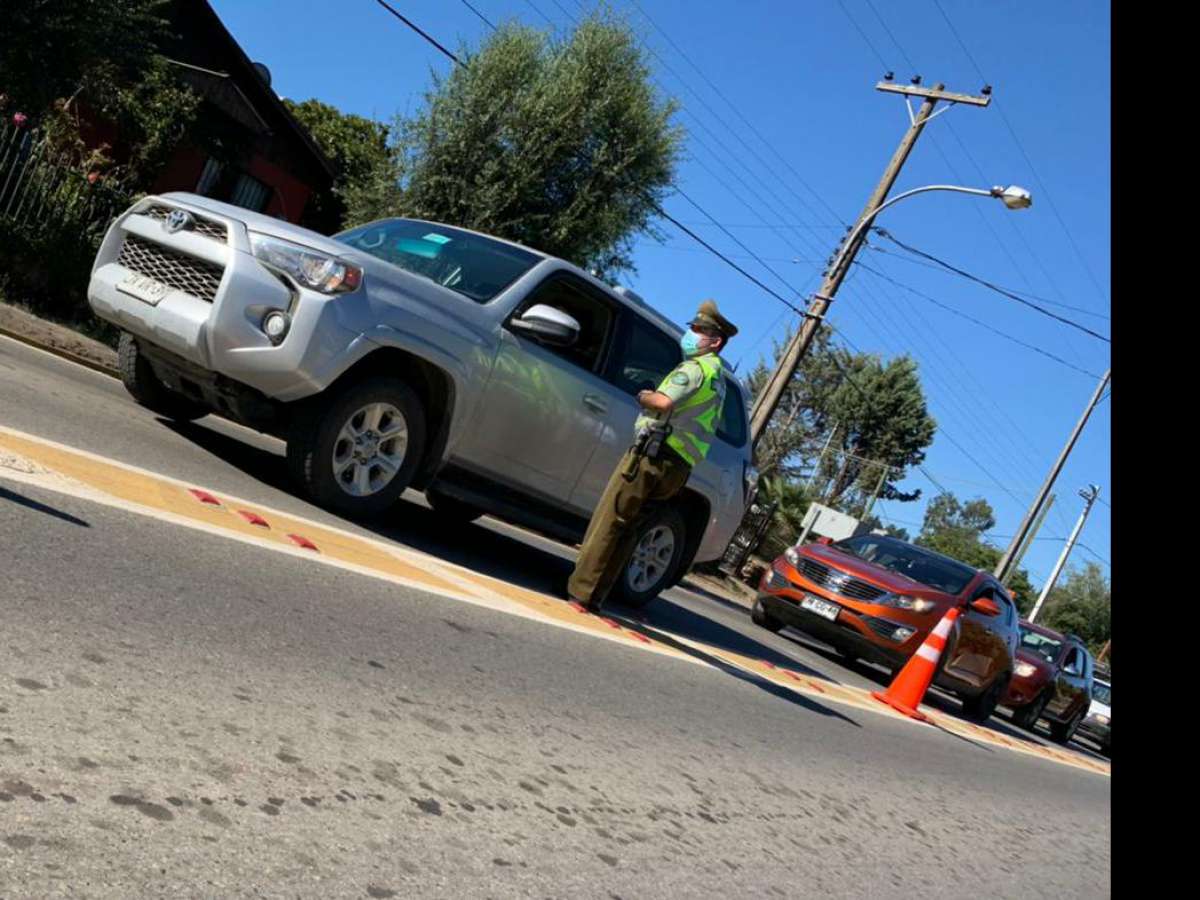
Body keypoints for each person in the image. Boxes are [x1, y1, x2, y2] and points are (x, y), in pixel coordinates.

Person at [567, 299, 738, 611]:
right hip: (678, 467)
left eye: (699, 330)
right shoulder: (719, 380)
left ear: (715, 341)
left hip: (652, 456)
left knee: (611, 522)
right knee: (631, 528)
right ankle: (596, 596)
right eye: (693, 327)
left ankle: (581, 592)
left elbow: (663, 402)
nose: (691, 333)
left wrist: (644, 394)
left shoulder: (694, 369)